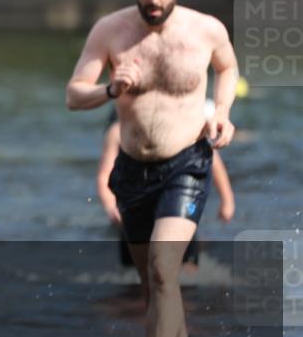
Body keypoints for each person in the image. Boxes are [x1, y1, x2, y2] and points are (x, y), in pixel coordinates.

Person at [66, 0, 239, 337]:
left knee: (164, 268)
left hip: (186, 164)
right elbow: (73, 95)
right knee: (154, 286)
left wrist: (222, 112)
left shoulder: (205, 29)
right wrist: (110, 89)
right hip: (131, 170)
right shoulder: (111, 31)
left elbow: (227, 67)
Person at [96, 101, 236, 271]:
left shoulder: (179, 123)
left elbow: (212, 160)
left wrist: (227, 199)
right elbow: (104, 175)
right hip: (132, 203)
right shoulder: (117, 132)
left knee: (185, 267)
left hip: (174, 198)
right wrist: (111, 206)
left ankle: (188, 273)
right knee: (137, 274)